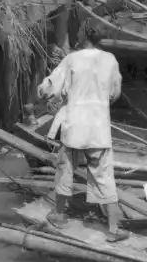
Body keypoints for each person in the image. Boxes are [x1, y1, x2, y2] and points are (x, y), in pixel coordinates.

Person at [38, 21, 126, 243]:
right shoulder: (110, 60)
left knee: (65, 169)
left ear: (84, 34)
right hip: (98, 128)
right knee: (104, 176)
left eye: (78, 30)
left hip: (74, 126)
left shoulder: (72, 59)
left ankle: (60, 214)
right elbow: (115, 93)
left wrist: (42, 92)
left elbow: (50, 88)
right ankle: (114, 229)